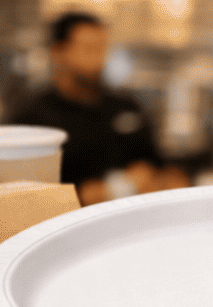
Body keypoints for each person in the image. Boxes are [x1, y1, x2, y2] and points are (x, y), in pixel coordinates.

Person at [13, 11, 183, 206]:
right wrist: (113, 189)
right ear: (58, 52)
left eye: (102, 48)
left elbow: (157, 165)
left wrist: (168, 180)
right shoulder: (33, 117)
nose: (98, 58)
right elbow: (28, 198)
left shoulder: (127, 106)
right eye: (88, 48)